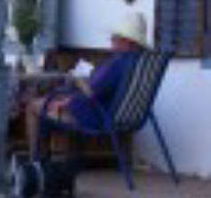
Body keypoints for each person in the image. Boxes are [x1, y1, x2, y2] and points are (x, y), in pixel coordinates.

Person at [24, 11, 147, 148]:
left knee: (33, 106)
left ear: (128, 42)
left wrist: (75, 87)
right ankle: (50, 156)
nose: (111, 39)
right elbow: (102, 90)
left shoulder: (118, 63)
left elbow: (92, 91)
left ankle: (35, 157)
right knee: (54, 99)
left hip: (97, 116)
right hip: (115, 114)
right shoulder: (139, 63)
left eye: (115, 37)